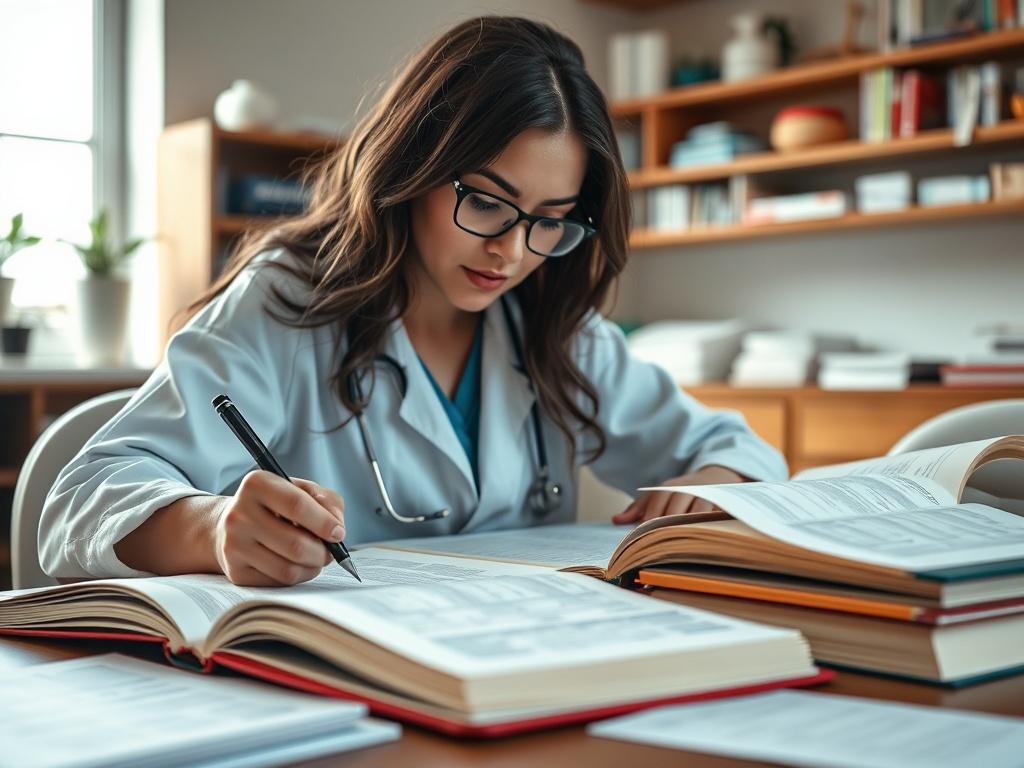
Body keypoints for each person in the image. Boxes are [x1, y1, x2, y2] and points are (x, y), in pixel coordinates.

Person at [40, 16, 786, 587]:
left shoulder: (554, 326)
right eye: (489, 203)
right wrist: (209, 528)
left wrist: (715, 485)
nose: (514, 251)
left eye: (551, 219)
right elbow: (82, 496)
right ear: (415, 166)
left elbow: (741, 451)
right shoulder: (286, 299)